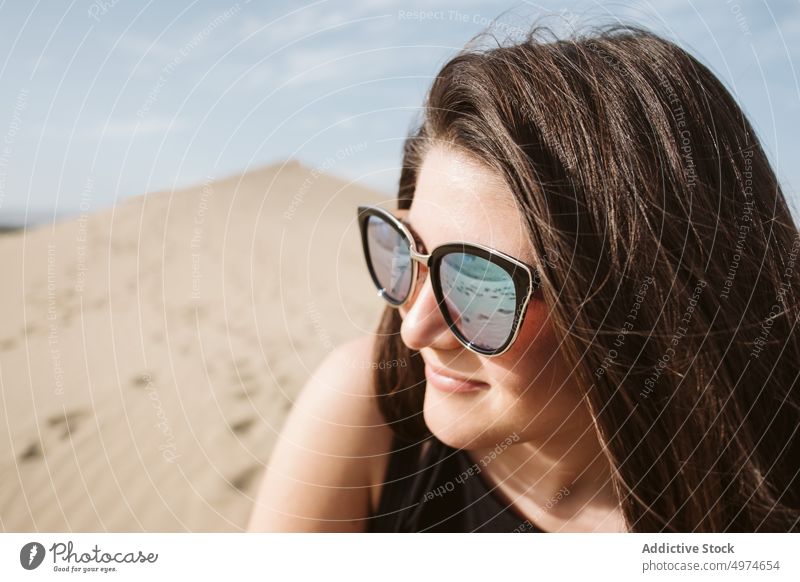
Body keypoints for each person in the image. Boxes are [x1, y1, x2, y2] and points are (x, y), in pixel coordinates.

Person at [248, 23, 800, 533]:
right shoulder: (368, 413)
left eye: (478, 284)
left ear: (645, 306)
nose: (415, 329)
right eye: (405, 253)